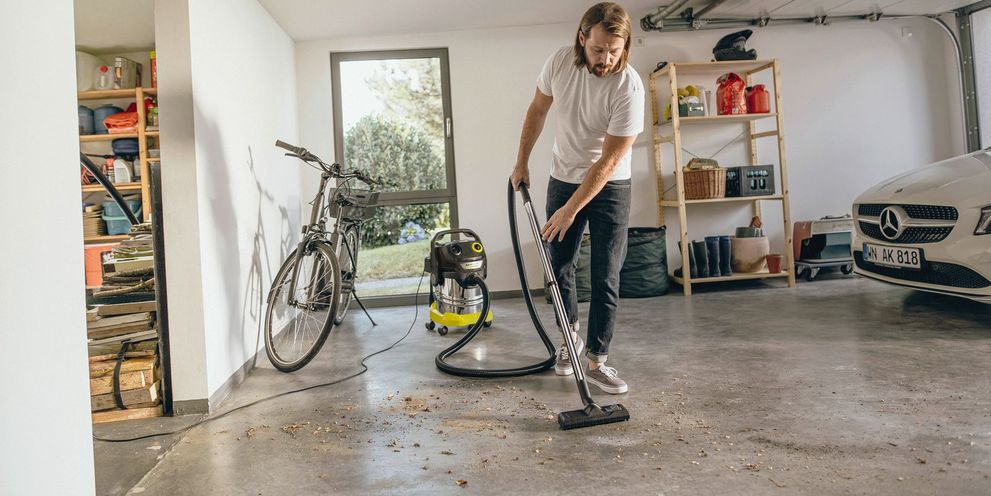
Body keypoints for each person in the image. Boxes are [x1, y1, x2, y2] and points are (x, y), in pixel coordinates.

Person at [511, 2, 644, 394]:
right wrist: (521, 162)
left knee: (606, 274)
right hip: (562, 177)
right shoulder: (558, 64)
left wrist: (571, 210)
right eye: (599, 49)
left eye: (614, 51)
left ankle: (598, 360)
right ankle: (569, 343)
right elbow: (537, 110)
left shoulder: (629, 87)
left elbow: (610, 159)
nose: (605, 59)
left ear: (625, 47)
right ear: (582, 38)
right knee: (559, 266)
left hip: (611, 184)